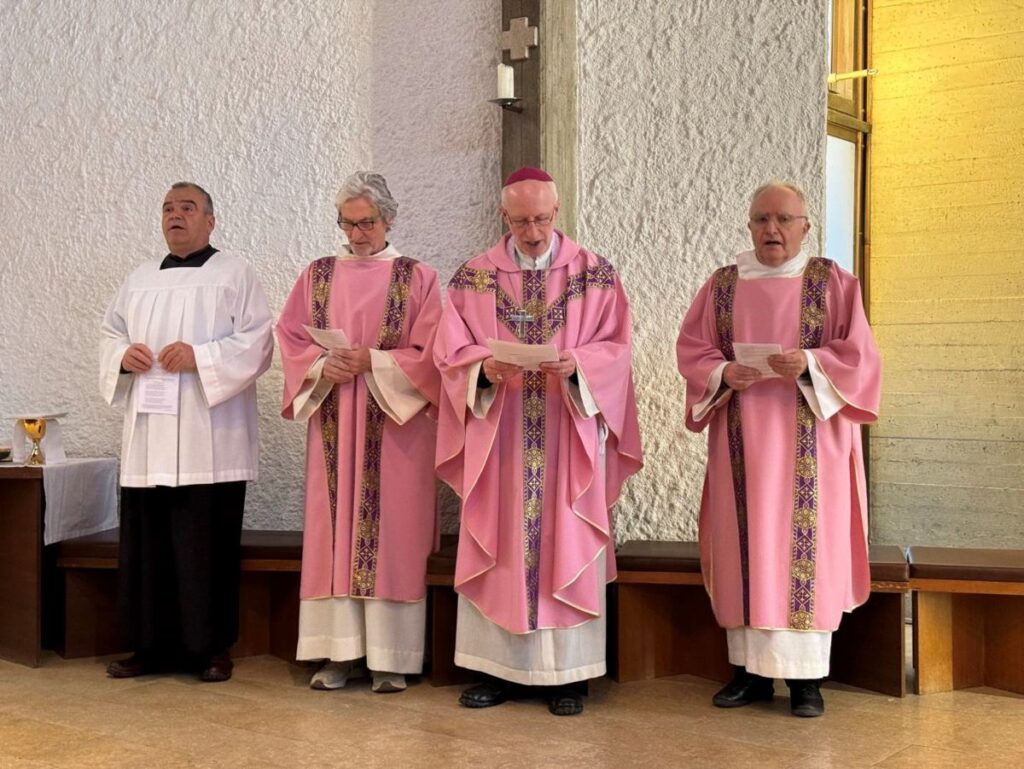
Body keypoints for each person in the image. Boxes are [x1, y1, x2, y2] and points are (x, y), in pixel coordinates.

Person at [435, 167, 643, 716]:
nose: (532, 231)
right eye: (522, 220)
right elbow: (449, 354)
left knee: (566, 540)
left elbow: (617, 349)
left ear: (557, 212)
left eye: (543, 219)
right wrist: (484, 369)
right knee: (499, 541)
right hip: (500, 436)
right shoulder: (474, 277)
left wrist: (578, 364)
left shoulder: (595, 274)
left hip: (567, 434)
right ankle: (495, 669)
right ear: (505, 216)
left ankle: (567, 676)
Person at [676, 180, 881, 717]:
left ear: (804, 228)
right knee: (744, 545)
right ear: (749, 225)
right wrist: (724, 371)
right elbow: (694, 352)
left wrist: (812, 364)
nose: (772, 230)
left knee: (804, 553)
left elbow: (861, 358)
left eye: (784, 220)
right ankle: (748, 674)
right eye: (762, 219)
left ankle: (807, 682)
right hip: (740, 443)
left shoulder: (832, 283)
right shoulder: (722, 286)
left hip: (813, 445)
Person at [100, 182, 274, 682]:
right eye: (168, 209)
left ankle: (211, 647)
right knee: (147, 543)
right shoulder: (138, 279)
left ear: (210, 220)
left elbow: (259, 340)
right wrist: (122, 357)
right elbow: (111, 333)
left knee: (206, 542)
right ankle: (147, 646)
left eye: (188, 208)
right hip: (151, 433)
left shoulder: (234, 274)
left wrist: (202, 356)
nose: (176, 216)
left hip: (208, 434)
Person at [277, 172, 441, 693]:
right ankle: (338, 653)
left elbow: (436, 355)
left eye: (366, 222)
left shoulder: (418, 278)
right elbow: (290, 337)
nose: (357, 233)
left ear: (389, 219)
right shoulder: (318, 275)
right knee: (334, 533)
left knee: (394, 535)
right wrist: (321, 365)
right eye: (348, 223)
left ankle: (392, 657)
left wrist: (375, 361)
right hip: (334, 419)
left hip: (397, 427)